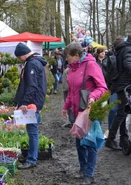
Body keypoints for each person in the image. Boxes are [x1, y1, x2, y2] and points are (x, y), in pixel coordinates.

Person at [61, 43, 107, 184]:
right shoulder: (72, 68)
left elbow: (102, 87)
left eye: (68, 57)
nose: (66, 60)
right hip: (76, 110)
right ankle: (83, 167)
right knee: (79, 142)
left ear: (77, 55)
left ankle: (89, 174)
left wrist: (93, 96)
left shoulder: (91, 65)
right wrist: (66, 106)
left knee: (90, 142)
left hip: (89, 110)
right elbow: (71, 91)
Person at [14, 43, 47, 169]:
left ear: (22, 54)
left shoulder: (32, 64)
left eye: (18, 57)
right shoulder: (35, 62)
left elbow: (32, 85)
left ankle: (32, 160)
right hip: (34, 101)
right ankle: (30, 158)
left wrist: (24, 103)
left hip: (32, 103)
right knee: (32, 130)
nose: (19, 60)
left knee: (32, 131)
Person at [105, 37, 131, 151]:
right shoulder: (128, 48)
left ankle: (123, 139)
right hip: (125, 85)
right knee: (122, 113)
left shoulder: (123, 48)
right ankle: (111, 138)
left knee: (123, 112)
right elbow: (128, 64)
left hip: (122, 84)